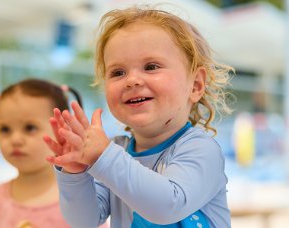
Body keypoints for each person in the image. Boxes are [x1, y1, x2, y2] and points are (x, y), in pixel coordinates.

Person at [44, 5, 234, 228]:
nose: (132, 80)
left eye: (151, 66)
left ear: (196, 85)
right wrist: (75, 175)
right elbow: (84, 221)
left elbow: (168, 206)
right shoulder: (116, 152)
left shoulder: (199, 149)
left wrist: (104, 157)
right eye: (118, 72)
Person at [0, 78, 83, 228]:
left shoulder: (80, 200)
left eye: (30, 127)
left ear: (62, 129)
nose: (15, 139)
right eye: (5, 129)